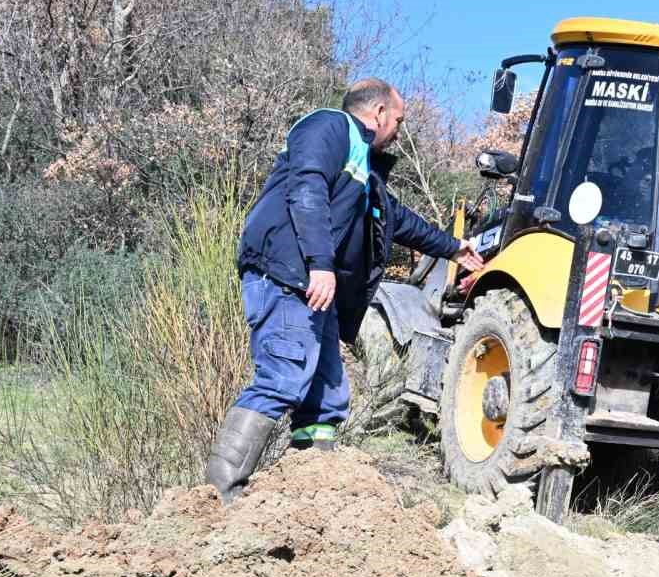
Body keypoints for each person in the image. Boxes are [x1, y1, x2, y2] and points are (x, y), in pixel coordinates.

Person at [205, 78, 484, 502]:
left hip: (315, 289)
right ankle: (218, 500)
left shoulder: (363, 169)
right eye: (399, 120)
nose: (399, 131)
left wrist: (453, 249)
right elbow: (306, 190)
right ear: (377, 113)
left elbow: (397, 221)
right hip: (288, 276)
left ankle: (310, 499)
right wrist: (320, 264)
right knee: (282, 378)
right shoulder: (328, 127)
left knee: (327, 397)